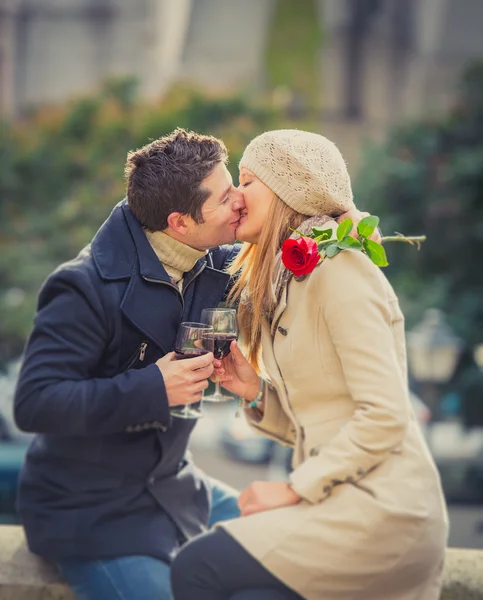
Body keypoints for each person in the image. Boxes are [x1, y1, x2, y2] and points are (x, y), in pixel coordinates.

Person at [13, 128, 368, 600]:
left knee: (312, 565)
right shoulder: (82, 287)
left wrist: (348, 227)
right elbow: (35, 404)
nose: (241, 200)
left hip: (178, 490)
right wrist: (152, 387)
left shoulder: (221, 262)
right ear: (179, 222)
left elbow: (301, 249)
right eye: (225, 199)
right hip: (91, 513)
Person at [170, 130, 449, 600]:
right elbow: (324, 422)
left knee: (199, 565)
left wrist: (292, 489)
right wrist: (255, 391)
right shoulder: (293, 279)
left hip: (385, 512)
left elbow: (385, 417)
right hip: (339, 502)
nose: (236, 195)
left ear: (288, 191)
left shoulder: (341, 273)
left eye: (249, 180)